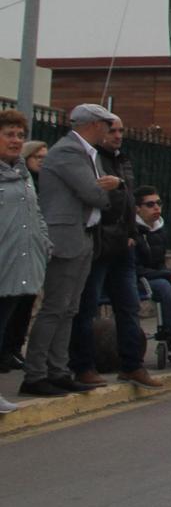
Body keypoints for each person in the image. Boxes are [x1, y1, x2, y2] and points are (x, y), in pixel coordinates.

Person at [18, 104, 120, 397]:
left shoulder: (89, 153)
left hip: (83, 235)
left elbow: (98, 191)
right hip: (65, 237)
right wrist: (113, 186)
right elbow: (93, 193)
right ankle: (36, 373)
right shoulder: (67, 152)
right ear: (92, 124)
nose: (110, 130)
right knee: (55, 307)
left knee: (70, 309)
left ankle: (58, 370)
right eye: (106, 124)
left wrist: (109, 186)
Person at [70, 114, 156, 389]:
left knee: (129, 306)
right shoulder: (90, 159)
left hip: (122, 246)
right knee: (87, 307)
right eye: (112, 130)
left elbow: (129, 199)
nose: (117, 135)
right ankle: (83, 366)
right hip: (98, 245)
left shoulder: (123, 159)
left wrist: (131, 233)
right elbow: (98, 200)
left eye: (121, 130)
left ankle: (132, 365)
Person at [0, 110, 48, 395]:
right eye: (9, 134)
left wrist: (43, 243)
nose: (16, 140)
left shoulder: (22, 172)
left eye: (20, 135)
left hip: (19, 264)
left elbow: (35, 213)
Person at [131, 187, 171, 366]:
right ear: (137, 208)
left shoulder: (160, 229)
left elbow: (159, 264)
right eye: (150, 204)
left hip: (154, 274)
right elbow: (135, 268)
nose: (156, 208)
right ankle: (170, 335)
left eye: (158, 203)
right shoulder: (132, 231)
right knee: (164, 285)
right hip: (134, 279)